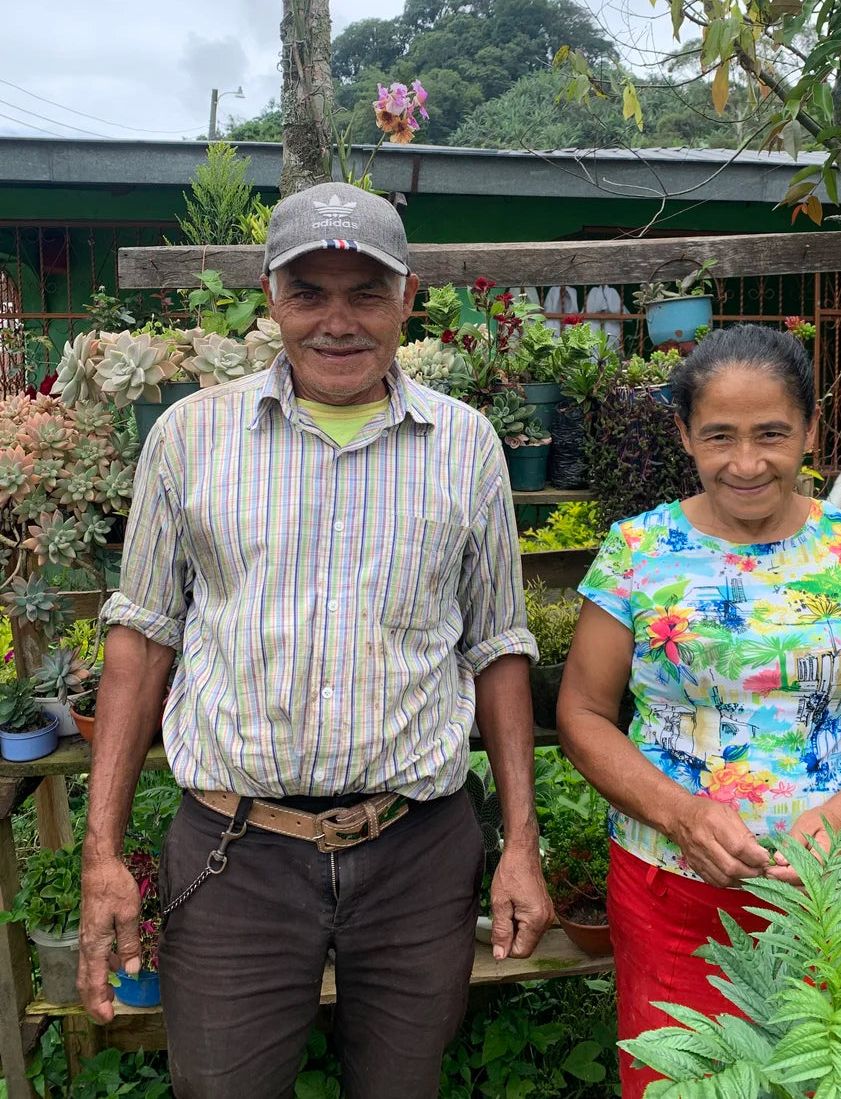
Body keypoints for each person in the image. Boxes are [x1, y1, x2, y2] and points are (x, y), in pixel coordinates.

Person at [77, 183, 553, 1099]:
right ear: (271, 297)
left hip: (418, 850)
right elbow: (140, 638)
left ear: (407, 298)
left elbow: (498, 644)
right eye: (310, 292)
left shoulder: (467, 446)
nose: (338, 321)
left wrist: (522, 842)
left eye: (366, 292)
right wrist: (100, 854)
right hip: (233, 852)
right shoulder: (188, 438)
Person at [556, 324, 841, 1098]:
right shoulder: (639, 549)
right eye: (719, 435)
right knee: (682, 1082)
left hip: (828, 899)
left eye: (772, 433)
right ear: (684, 434)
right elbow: (582, 713)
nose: (746, 462)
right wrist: (680, 814)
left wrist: (837, 820)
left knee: (824, 1079)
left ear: (809, 426)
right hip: (670, 886)